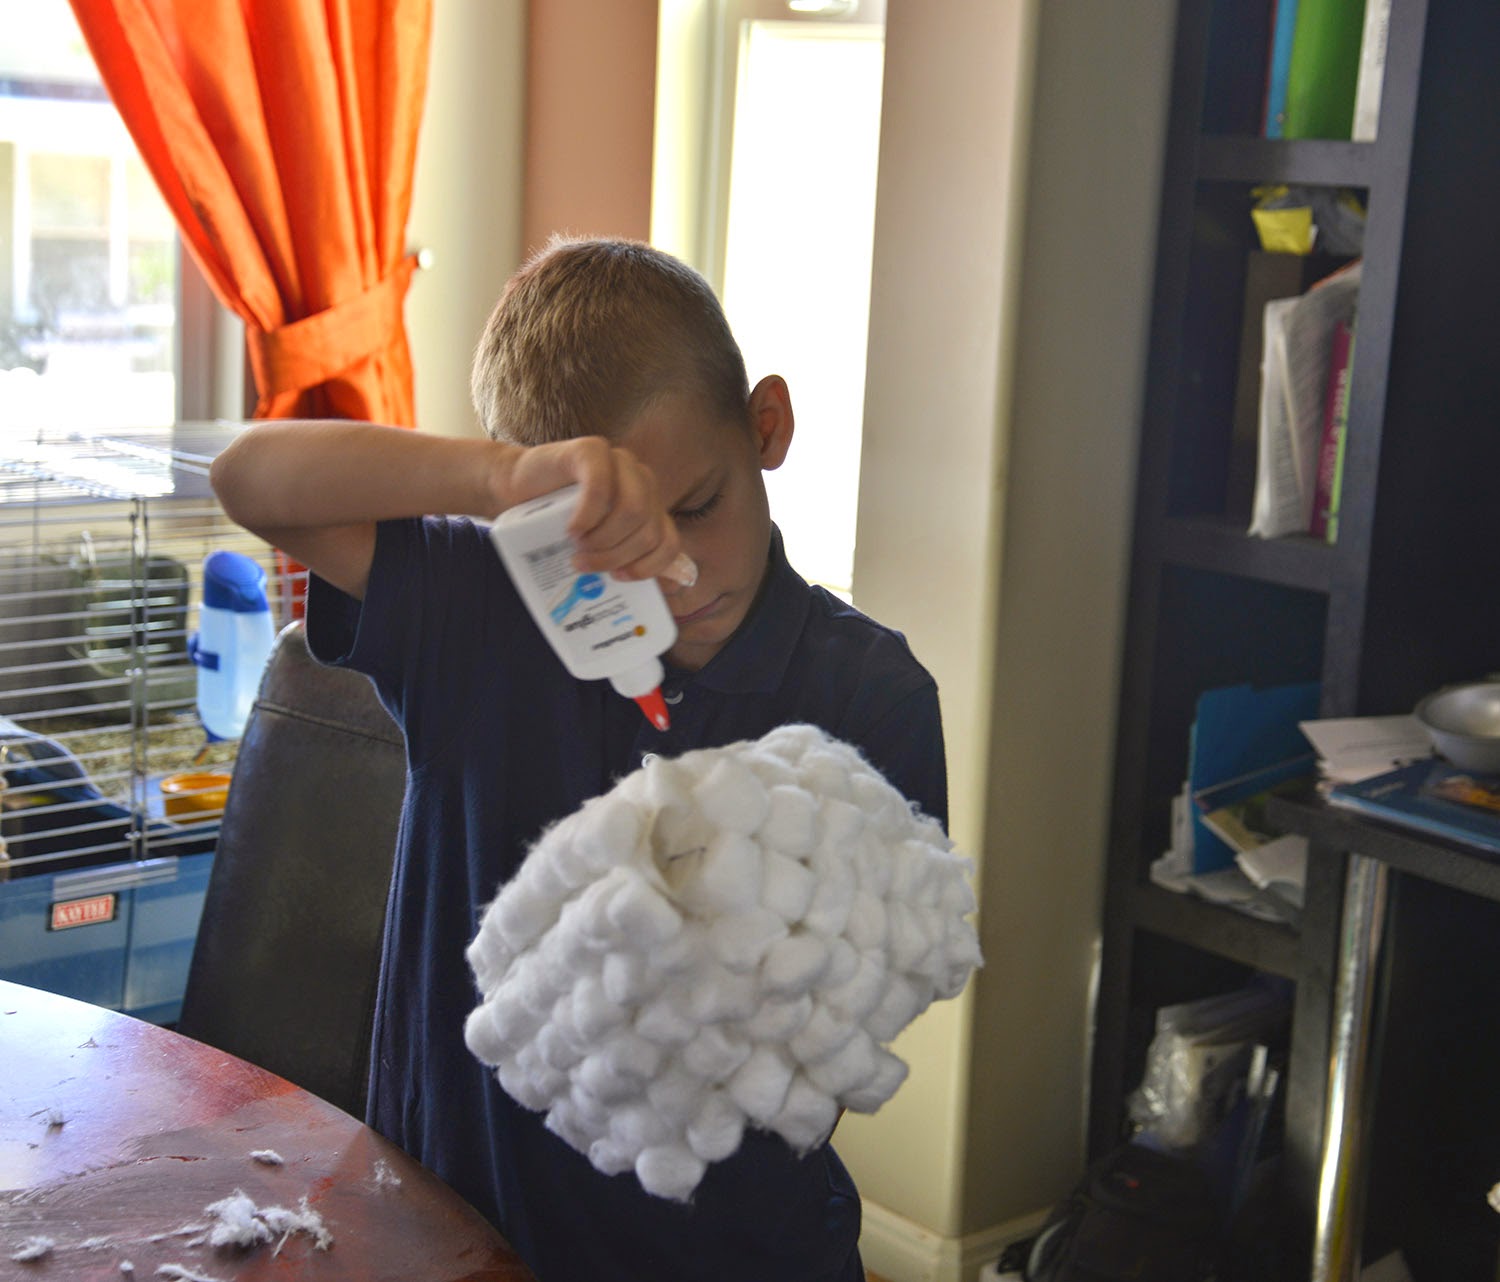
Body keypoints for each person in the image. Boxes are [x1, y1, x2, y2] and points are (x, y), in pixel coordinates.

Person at [209, 236, 947, 1282]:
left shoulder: (868, 694)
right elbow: (252, 479)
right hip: (445, 1231)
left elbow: (843, 1027)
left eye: (697, 507)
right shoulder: (485, 611)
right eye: (611, 542)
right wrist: (497, 479)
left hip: (723, 1257)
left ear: (767, 428)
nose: (677, 574)